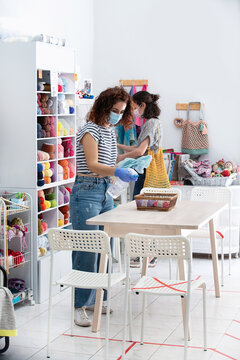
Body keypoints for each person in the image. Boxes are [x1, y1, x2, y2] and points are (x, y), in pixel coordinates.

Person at [70, 86, 138, 327]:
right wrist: (118, 170)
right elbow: (93, 164)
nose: (117, 115)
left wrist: (130, 160)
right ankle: (79, 305)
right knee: (87, 250)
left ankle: (98, 298)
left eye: (121, 111)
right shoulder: (90, 130)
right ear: (102, 107)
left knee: (106, 249)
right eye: (114, 110)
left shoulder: (109, 130)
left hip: (104, 193)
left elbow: (108, 160)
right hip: (86, 192)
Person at [117, 91, 162, 268]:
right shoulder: (154, 123)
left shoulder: (151, 123)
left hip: (148, 171)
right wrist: (118, 146)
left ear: (142, 105)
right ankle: (147, 254)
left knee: (142, 211)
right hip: (148, 169)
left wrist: (120, 159)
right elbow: (136, 147)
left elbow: (139, 152)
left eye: (134, 107)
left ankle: (145, 254)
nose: (133, 111)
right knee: (146, 210)